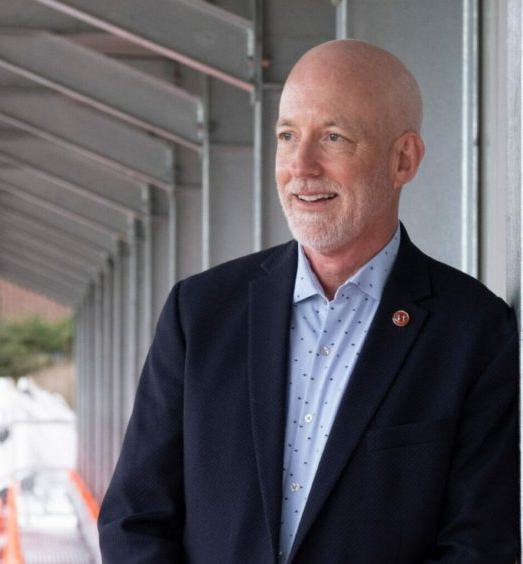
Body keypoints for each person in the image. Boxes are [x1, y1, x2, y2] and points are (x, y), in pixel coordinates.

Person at [98, 39, 519, 563]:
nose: (300, 165)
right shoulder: (200, 312)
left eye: (334, 137)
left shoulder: (474, 331)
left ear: (403, 159)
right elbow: (134, 519)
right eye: (287, 135)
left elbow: (477, 546)